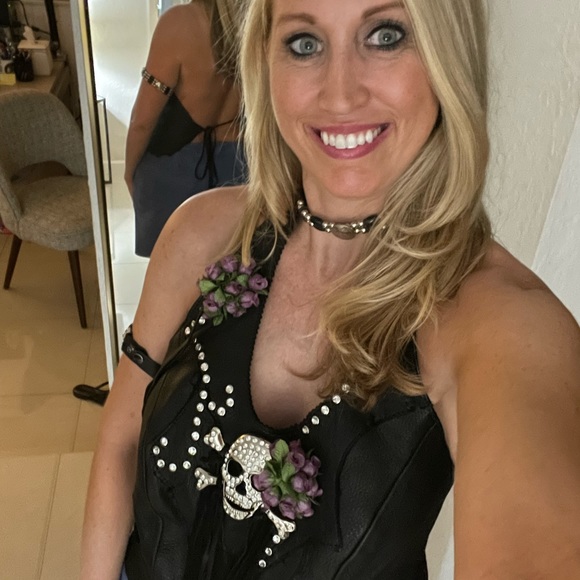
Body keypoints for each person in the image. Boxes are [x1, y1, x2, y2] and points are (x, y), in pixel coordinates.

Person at [81, 0, 580, 578]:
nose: (340, 95)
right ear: (265, 60)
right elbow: (121, 439)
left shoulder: (494, 319)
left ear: (448, 53)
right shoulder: (201, 233)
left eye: (386, 35)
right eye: (304, 44)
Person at [125, 0, 247, 257]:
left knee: (172, 272)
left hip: (177, 174)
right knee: (232, 274)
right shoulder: (260, 21)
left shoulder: (179, 22)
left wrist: (129, 172)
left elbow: (142, 122)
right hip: (240, 168)